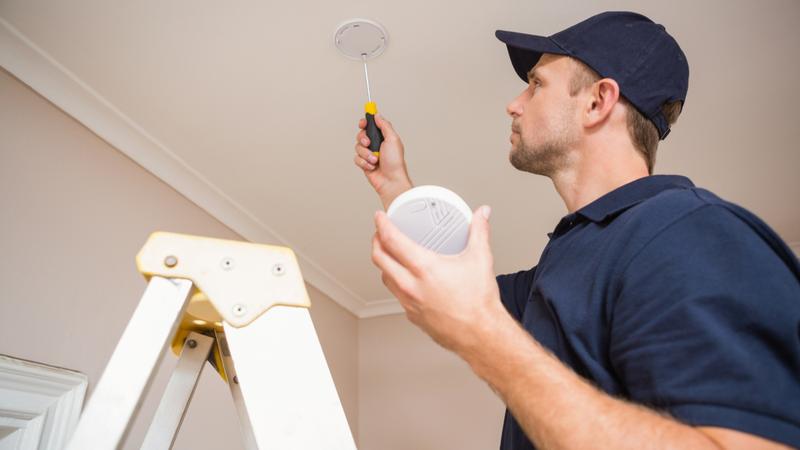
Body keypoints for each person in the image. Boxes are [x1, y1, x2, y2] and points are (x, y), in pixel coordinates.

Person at [352, 11, 800, 450]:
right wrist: (395, 186)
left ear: (597, 101)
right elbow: (450, 284)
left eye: (536, 84)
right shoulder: (570, 261)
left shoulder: (692, 232)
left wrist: (483, 335)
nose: (514, 103)